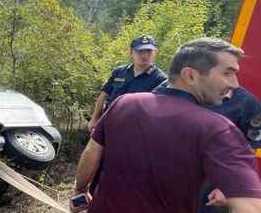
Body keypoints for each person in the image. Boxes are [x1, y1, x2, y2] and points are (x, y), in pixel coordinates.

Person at [71, 38, 261, 213]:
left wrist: (80, 189)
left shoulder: (124, 103)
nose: (234, 83)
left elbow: (91, 153)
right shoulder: (218, 129)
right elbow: (251, 207)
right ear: (190, 75)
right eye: (227, 73)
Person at [199, 86, 261, 213]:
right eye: (227, 73)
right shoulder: (169, 93)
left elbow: (248, 152)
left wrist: (230, 188)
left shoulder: (244, 101)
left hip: (212, 194)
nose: (234, 80)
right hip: (172, 190)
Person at [87, 35, 167, 133]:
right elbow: (103, 96)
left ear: (155, 52)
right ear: (131, 53)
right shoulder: (119, 72)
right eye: (140, 51)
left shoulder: (161, 80)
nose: (145, 54)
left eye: (149, 51)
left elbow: (161, 113)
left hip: (137, 132)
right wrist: (94, 119)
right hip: (109, 126)